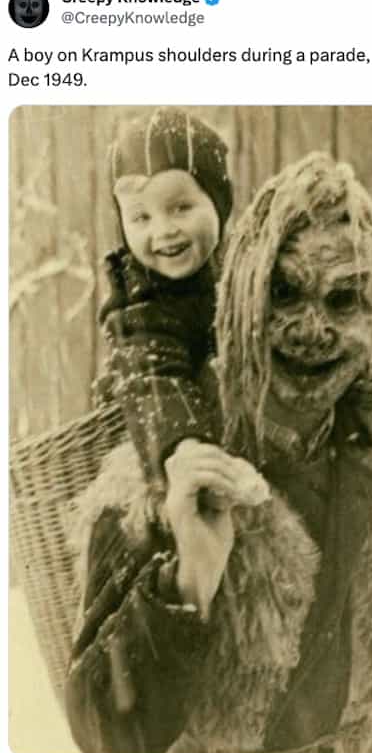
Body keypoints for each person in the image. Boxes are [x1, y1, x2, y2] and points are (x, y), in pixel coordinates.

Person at [66, 153, 372, 753]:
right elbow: (105, 734)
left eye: (345, 299)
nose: (312, 329)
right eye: (285, 292)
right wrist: (188, 576)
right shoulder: (168, 472)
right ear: (241, 300)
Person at [94, 106, 234, 486]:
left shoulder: (237, 272)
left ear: (218, 205)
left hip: (234, 436)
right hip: (154, 457)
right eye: (142, 217)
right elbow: (151, 378)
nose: (164, 230)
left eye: (181, 208)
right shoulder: (138, 304)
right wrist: (182, 444)